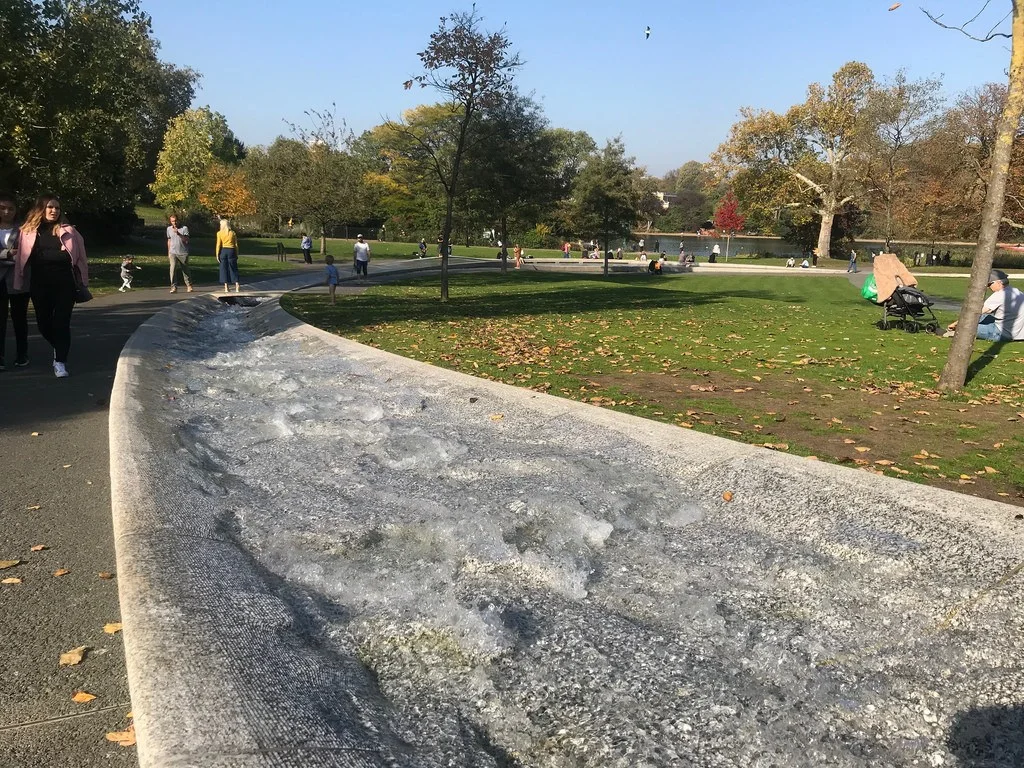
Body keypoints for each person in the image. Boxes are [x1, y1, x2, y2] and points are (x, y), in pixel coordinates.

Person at [13, 195, 88, 378]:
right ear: (41, 209)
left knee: (62, 323)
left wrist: (83, 282)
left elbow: (81, 259)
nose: (54, 211)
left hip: (65, 284)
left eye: (57, 208)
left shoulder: (69, 231)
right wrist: (18, 281)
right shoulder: (28, 231)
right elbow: (21, 260)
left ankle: (60, 361)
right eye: (50, 207)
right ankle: (59, 346)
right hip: (40, 284)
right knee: (43, 324)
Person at [944, 269, 1024, 340]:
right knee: (983, 317)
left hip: (1003, 333)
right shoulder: (1016, 292)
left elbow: (976, 312)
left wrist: (956, 324)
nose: (988, 287)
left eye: (989, 284)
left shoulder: (999, 295)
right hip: (1019, 332)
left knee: (965, 327)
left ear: (999, 283)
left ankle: (954, 333)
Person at [0, 193, 29, 370]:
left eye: (10, 208)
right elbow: (14, 253)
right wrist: (8, 254)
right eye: (3, 208)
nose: (7, 211)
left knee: (20, 318)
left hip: (19, 278)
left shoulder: (23, 229)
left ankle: (22, 354)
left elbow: (26, 252)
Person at [167, 214, 192, 293]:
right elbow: (169, 240)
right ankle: (174, 286)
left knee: (185, 269)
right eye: (172, 221)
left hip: (182, 252)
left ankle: (189, 285)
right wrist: (168, 252)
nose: (174, 223)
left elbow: (187, 240)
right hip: (173, 252)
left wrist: (178, 234)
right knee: (172, 269)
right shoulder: (169, 229)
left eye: (175, 221)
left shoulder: (184, 228)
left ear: (178, 220)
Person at [215, 217, 240, 293]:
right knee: (233, 267)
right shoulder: (232, 233)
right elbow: (236, 245)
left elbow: (218, 245)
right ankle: (237, 284)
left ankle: (226, 286)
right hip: (231, 250)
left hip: (223, 250)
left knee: (224, 269)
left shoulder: (219, 233)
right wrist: (237, 253)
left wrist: (217, 254)